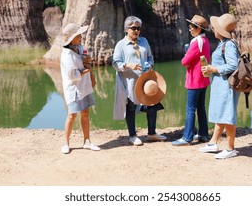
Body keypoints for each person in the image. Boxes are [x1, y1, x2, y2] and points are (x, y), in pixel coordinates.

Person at [112, 16, 167, 146]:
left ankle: (152, 133)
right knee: (131, 107)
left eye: (138, 28)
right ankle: (132, 135)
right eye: (134, 28)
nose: (137, 31)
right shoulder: (121, 45)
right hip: (130, 82)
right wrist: (128, 65)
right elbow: (115, 63)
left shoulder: (144, 42)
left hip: (146, 80)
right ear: (126, 29)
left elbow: (150, 57)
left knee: (152, 104)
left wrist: (149, 65)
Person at [199, 13, 240, 159]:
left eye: (215, 27)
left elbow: (233, 65)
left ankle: (230, 148)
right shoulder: (224, 43)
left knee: (227, 116)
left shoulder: (228, 45)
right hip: (221, 85)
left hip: (226, 87)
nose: (213, 29)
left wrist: (213, 69)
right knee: (222, 113)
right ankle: (213, 143)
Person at [60, 23, 100, 154]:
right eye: (78, 35)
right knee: (71, 115)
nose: (81, 37)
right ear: (72, 38)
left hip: (84, 86)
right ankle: (66, 143)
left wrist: (87, 61)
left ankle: (87, 141)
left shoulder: (79, 47)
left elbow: (85, 62)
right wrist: (85, 69)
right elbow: (73, 75)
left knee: (85, 113)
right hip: (74, 88)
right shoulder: (66, 55)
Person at [172, 15, 211, 146]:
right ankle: (203, 134)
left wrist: (185, 56)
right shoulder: (205, 41)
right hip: (203, 80)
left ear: (198, 29)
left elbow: (185, 61)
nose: (190, 29)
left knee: (190, 108)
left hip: (194, 81)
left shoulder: (195, 42)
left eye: (192, 27)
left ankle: (187, 137)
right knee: (201, 107)